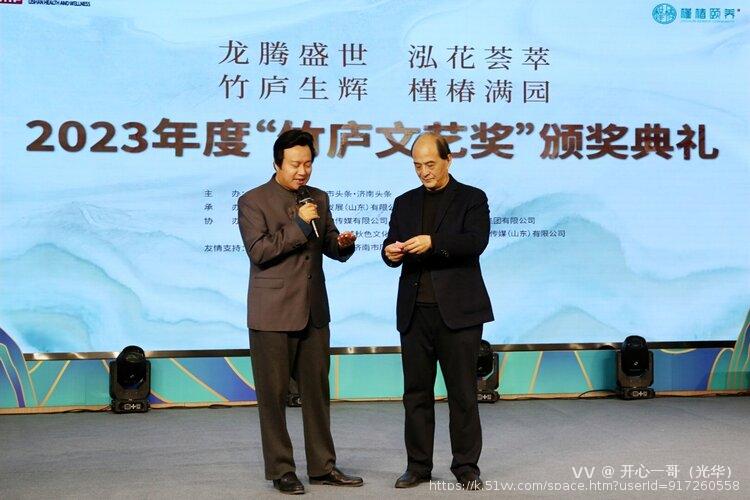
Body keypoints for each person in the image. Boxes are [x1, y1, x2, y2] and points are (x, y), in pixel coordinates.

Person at [238, 129, 363, 495]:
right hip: (272, 314)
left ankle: (323, 467)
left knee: (317, 395)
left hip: (313, 311)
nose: (302, 171)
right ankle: (282, 470)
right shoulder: (253, 201)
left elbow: (327, 244)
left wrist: (342, 245)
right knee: (273, 397)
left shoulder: (318, 198)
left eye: (308, 164)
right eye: (295, 164)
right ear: (277, 163)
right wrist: (297, 224)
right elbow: (259, 252)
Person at [382, 132, 494, 491]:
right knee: (415, 394)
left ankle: (466, 466)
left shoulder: (472, 198)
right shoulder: (404, 202)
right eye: (417, 166)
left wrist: (434, 243)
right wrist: (390, 253)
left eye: (430, 164)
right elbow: (390, 243)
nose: (424, 172)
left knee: (462, 393)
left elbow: (475, 242)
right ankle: (417, 466)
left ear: (449, 159)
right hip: (415, 312)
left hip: (459, 313)